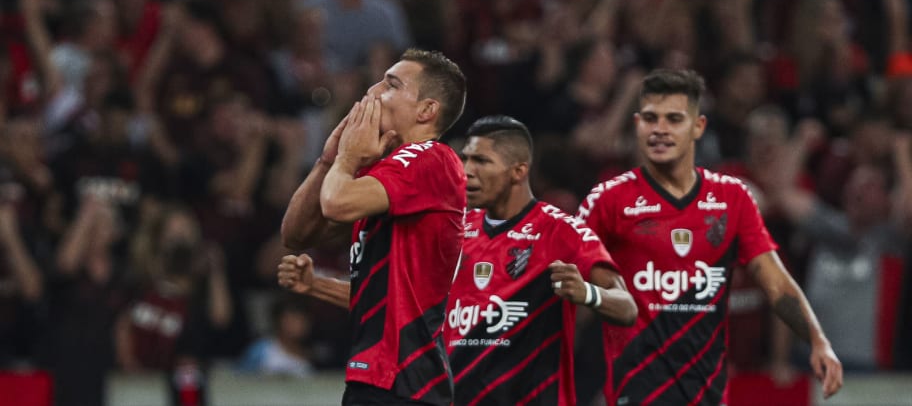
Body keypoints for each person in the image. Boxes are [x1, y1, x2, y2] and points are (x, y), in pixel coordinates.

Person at [279, 115, 637, 405]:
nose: (466, 170)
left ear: (518, 170)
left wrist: (587, 294)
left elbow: (626, 307)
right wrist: (316, 285)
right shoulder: (456, 229)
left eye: (481, 160)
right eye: (464, 158)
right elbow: (400, 304)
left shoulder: (561, 230)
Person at [575, 68, 843, 405]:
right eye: (651, 118)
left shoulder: (732, 199)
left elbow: (776, 283)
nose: (661, 130)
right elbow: (571, 281)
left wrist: (817, 340)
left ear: (698, 127)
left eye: (674, 119)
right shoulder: (606, 201)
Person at [279, 48, 467, 405]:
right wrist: (327, 160)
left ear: (427, 111)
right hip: (386, 381)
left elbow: (335, 203)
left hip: (403, 381)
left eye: (391, 84)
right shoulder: (382, 174)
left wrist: (347, 158)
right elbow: (296, 235)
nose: (374, 92)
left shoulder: (430, 159)